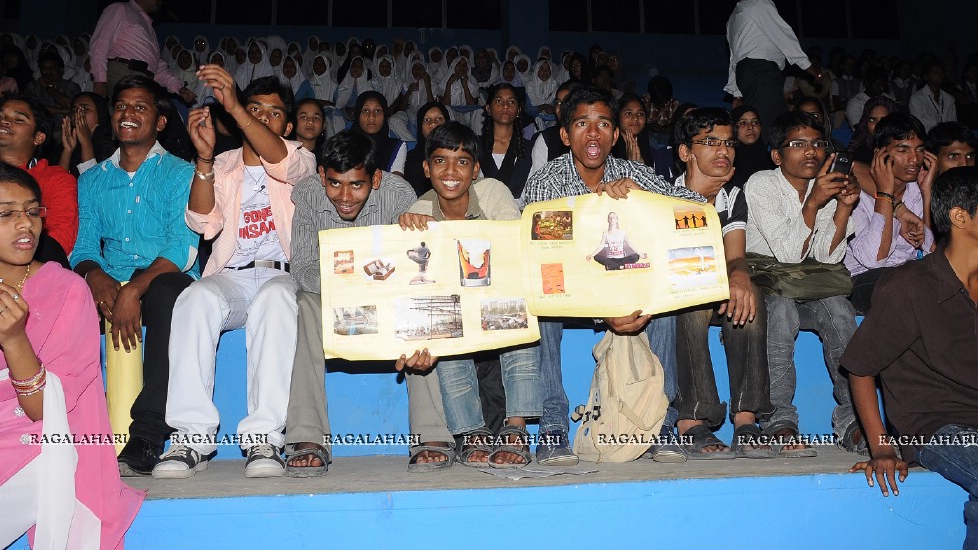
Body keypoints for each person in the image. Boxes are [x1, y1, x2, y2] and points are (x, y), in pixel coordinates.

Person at [522, 85, 705, 465]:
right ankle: (553, 424)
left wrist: (645, 198)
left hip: (629, 288)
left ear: (616, 134)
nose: (593, 134)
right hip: (569, 290)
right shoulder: (546, 183)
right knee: (538, 304)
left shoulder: (633, 173)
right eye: (582, 124)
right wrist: (603, 306)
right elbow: (539, 257)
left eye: (603, 124)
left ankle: (663, 423)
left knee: (666, 304)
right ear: (564, 135)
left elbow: (697, 209)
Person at [842, 167, 978, 549]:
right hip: (939, 425)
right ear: (960, 217)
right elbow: (860, 368)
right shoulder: (909, 286)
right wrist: (882, 447)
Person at [152, 71, 316, 479]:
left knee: (278, 300)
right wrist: (204, 158)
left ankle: (264, 439)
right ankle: (190, 437)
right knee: (194, 298)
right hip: (234, 275)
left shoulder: (301, 158)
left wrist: (237, 107)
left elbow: (278, 159)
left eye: (272, 112)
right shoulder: (223, 163)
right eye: (254, 108)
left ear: (288, 125)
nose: (261, 118)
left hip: (282, 274)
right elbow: (203, 222)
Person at [0, 164, 143, 548]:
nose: (25, 225)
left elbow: (44, 409)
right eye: (7, 214)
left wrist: (13, 339)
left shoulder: (65, 289)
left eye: (32, 212)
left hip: (45, 441)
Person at [69, 75, 200, 476]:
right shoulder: (92, 180)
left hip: (165, 278)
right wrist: (94, 276)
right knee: (67, 293)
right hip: (113, 279)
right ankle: (76, 432)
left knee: (164, 293)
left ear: (160, 122)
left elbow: (182, 247)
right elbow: (84, 248)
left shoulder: (180, 173)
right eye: (122, 106)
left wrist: (135, 288)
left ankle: (146, 435)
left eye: (140, 107)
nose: (128, 113)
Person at [399, 123, 540, 467]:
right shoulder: (418, 211)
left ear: (475, 169)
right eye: (441, 161)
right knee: (444, 315)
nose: (450, 172)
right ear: (426, 168)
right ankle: (470, 430)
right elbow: (414, 286)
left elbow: (513, 251)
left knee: (517, 303)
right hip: (455, 307)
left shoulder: (492, 191)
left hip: (497, 296)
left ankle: (516, 426)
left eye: (462, 162)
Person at [284, 131, 419, 476]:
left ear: (375, 179)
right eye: (334, 183)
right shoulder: (308, 196)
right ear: (321, 176)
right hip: (332, 300)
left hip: (387, 299)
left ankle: (431, 434)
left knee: (419, 306)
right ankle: (308, 437)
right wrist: (354, 284)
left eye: (356, 185)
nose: (344, 196)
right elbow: (303, 269)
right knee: (305, 303)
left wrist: (371, 287)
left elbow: (411, 266)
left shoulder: (399, 195)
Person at [744, 110, 862, 456]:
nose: (810, 151)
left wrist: (843, 207)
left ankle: (853, 418)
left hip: (807, 284)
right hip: (767, 284)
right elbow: (786, 254)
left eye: (817, 143)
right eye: (797, 144)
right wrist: (814, 202)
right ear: (777, 155)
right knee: (780, 312)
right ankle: (779, 420)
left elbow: (827, 258)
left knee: (840, 309)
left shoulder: (824, 185)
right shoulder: (763, 184)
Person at [671, 108, 773, 458]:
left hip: (716, 284)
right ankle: (692, 417)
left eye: (728, 143)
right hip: (675, 291)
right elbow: (674, 258)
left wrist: (741, 275)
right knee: (693, 297)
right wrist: (698, 200)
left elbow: (735, 256)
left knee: (749, 294)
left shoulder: (732, 195)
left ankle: (746, 418)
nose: (724, 150)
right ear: (686, 152)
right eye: (710, 142)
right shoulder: (664, 192)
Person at [844, 114, 935, 315]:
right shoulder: (854, 193)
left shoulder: (917, 190)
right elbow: (874, 260)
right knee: (907, 283)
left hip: (909, 276)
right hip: (862, 281)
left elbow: (930, 251)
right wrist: (885, 195)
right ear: (880, 154)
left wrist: (927, 194)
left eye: (919, 150)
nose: (914, 159)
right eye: (903, 150)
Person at [724, 0, 822, 138]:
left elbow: (734, 56)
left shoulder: (734, 15)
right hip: (762, 72)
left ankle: (780, 161)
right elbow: (782, 34)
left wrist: (736, 92)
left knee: (781, 126)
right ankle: (756, 163)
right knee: (763, 127)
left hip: (748, 74)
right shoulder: (760, 3)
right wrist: (808, 66)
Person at [88, 0, 195, 104]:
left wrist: (178, 88)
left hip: (145, 79)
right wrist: (100, 80)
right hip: (124, 72)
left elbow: (156, 68)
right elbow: (100, 45)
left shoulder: (149, 28)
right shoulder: (120, 9)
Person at [0, 96, 78, 258]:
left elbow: (59, 241)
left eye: (19, 119)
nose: (4, 121)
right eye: (1, 116)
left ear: (38, 137)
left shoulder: (55, 179)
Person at [479, 84, 534, 200]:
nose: (505, 106)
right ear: (488, 108)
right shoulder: (475, 146)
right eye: (499, 101)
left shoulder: (530, 149)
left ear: (518, 110)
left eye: (512, 102)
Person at [58, 91, 118, 176]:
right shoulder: (64, 145)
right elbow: (57, 183)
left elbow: (92, 184)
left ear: (100, 113)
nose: (78, 114)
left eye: (85, 109)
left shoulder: (111, 150)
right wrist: (67, 151)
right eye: (74, 110)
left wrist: (86, 144)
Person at [400, 103, 450, 196]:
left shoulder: (459, 154)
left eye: (439, 118)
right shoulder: (410, 159)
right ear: (420, 126)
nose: (433, 123)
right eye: (427, 120)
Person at [349, 91, 405, 174]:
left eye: (378, 111)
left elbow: (396, 183)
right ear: (358, 114)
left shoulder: (395, 147)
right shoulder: (345, 144)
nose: (371, 117)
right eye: (365, 110)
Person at [730, 106, 773, 189]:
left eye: (755, 122)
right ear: (733, 128)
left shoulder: (772, 159)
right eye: (743, 123)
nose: (750, 127)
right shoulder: (729, 160)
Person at [909, 62, 957, 133]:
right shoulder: (917, 98)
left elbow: (953, 123)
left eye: (941, 73)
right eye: (935, 72)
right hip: (927, 140)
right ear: (926, 76)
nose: (939, 75)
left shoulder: (949, 98)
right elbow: (918, 126)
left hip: (946, 140)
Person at [611, 95, 654, 167]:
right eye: (628, 113)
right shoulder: (610, 148)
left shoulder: (644, 141)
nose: (635, 118)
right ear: (617, 117)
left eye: (640, 114)